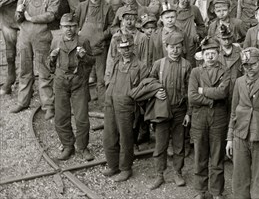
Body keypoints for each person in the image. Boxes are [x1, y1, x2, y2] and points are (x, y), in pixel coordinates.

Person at [226, 47, 259, 199]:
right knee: (240, 177)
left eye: (253, 64)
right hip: (240, 134)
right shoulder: (239, 82)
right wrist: (230, 138)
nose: (249, 68)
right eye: (245, 65)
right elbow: (233, 111)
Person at [10, 0, 60, 118]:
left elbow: (51, 15)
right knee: (24, 70)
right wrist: (18, 14)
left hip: (42, 37)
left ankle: (48, 105)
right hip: (25, 37)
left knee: (44, 71)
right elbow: (18, 19)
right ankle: (23, 101)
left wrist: (31, 18)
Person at [147, 31, 192, 190]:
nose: (175, 51)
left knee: (179, 145)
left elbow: (190, 92)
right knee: (160, 144)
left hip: (180, 110)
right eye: (171, 47)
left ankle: (177, 172)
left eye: (178, 47)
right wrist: (155, 91)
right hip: (162, 110)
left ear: (182, 48)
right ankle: (160, 174)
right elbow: (149, 82)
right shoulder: (159, 64)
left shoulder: (187, 65)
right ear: (166, 47)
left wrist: (188, 113)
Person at [103, 33, 150, 181]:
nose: (126, 50)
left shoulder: (141, 66)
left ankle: (125, 168)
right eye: (122, 47)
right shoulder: (117, 63)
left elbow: (144, 90)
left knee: (126, 138)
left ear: (133, 47)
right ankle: (113, 165)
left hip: (127, 107)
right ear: (118, 49)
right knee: (109, 136)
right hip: (111, 104)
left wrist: (135, 105)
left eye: (129, 47)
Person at [48, 13, 95, 161]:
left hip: (78, 82)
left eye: (72, 26)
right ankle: (68, 145)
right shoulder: (56, 41)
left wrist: (84, 57)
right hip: (61, 82)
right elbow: (50, 67)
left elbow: (91, 61)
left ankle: (82, 147)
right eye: (66, 27)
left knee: (81, 118)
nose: (69, 29)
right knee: (61, 117)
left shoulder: (83, 41)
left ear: (77, 27)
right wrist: (52, 58)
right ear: (60, 28)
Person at [189, 38, 230, 199]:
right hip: (199, 118)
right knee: (200, 155)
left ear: (218, 54)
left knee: (217, 156)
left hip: (218, 118)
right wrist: (212, 99)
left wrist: (202, 90)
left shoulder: (224, 71)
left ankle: (216, 191)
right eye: (207, 54)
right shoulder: (196, 72)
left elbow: (223, 93)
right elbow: (192, 97)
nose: (210, 57)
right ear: (203, 55)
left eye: (213, 53)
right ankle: (201, 191)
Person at [74, 0, 114, 103]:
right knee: (83, 75)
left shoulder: (107, 7)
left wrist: (102, 35)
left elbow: (113, 26)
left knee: (101, 78)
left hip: (99, 47)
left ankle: (103, 105)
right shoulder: (82, 6)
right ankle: (84, 102)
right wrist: (78, 33)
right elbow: (75, 23)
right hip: (84, 47)